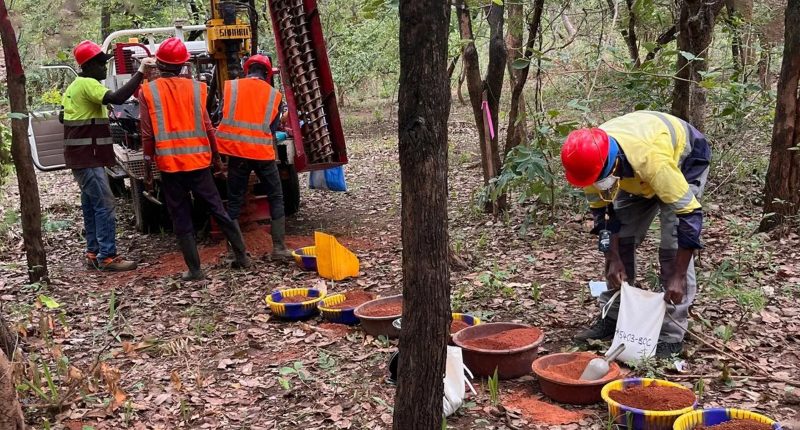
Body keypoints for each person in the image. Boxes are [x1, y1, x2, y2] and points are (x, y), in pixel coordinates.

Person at [560, 110, 711, 358]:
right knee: (623, 243)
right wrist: (613, 258)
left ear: (613, 163)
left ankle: (671, 336)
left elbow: (689, 216)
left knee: (672, 248)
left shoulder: (651, 159)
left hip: (684, 162)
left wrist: (678, 275)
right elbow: (604, 216)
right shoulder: (588, 165)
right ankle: (613, 315)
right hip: (634, 177)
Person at [139, 37, 251, 281]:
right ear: (183, 65)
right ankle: (242, 256)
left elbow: (147, 135)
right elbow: (208, 127)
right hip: (199, 163)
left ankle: (195, 270)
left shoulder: (148, 91)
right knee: (217, 208)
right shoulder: (198, 89)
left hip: (170, 167)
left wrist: (148, 171)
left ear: (158, 63)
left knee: (180, 215)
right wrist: (218, 160)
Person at [62, 40, 154, 271]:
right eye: (101, 64)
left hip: (83, 158)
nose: (105, 69)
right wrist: (141, 71)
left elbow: (64, 116)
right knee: (105, 204)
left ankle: (93, 252)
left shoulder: (75, 87)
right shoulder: (87, 84)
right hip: (88, 159)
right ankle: (108, 256)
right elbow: (116, 98)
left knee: (92, 205)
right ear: (89, 65)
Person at [216, 54, 292, 260]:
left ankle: (235, 253)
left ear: (246, 69)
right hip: (262, 154)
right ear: (267, 73)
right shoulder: (274, 95)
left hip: (237, 153)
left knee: (234, 201)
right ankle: (279, 248)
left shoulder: (231, 88)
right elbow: (273, 128)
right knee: (276, 196)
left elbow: (222, 115)